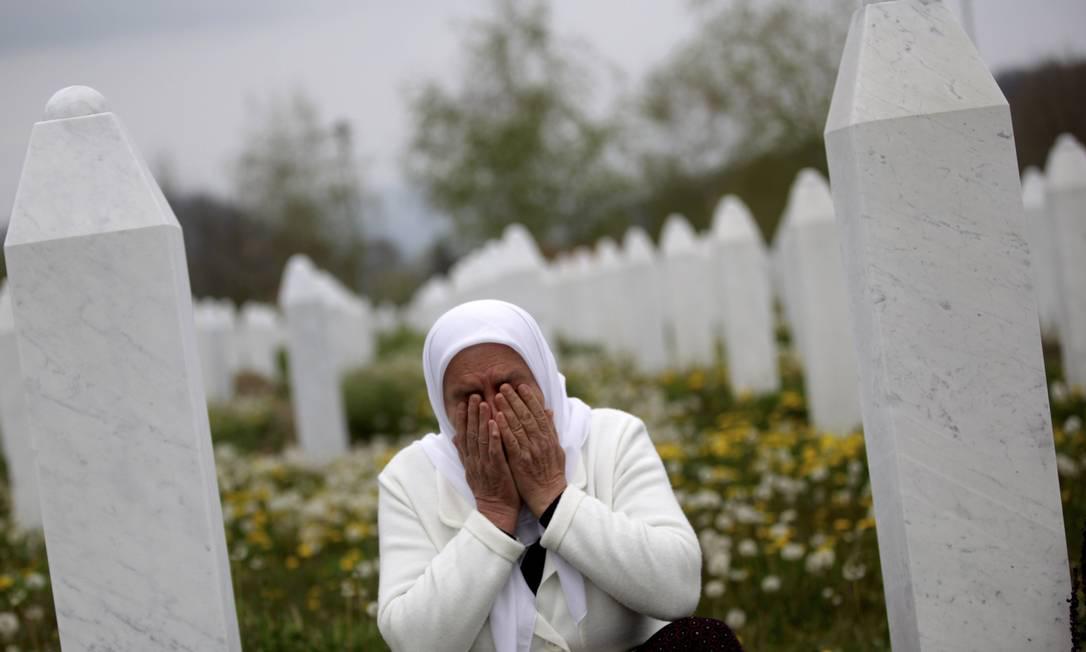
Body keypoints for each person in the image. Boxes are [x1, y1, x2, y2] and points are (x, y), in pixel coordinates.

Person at [376, 300, 741, 651]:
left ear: (543, 380)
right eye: (470, 398)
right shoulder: (409, 479)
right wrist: (492, 515)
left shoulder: (613, 438)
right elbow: (413, 642)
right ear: (442, 406)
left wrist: (553, 496)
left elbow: (678, 589)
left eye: (509, 389)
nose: (494, 414)